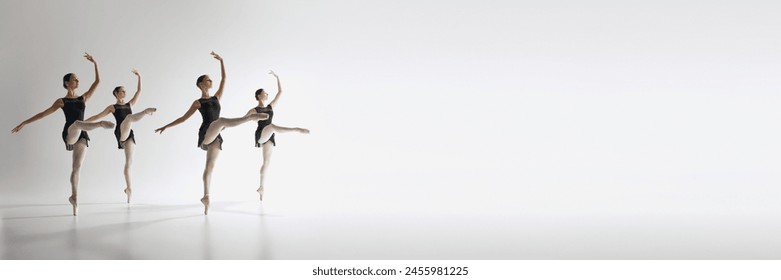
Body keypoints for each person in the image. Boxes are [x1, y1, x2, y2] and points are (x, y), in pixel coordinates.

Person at [155, 52, 266, 215]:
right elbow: (183, 118)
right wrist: (166, 126)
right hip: (207, 132)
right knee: (220, 122)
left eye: (210, 80)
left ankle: (206, 196)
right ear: (201, 84)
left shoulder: (216, 97)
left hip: (217, 135)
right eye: (208, 80)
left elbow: (224, 79)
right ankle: (250, 118)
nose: (211, 81)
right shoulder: (198, 102)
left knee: (210, 166)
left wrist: (222, 61)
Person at [11, 53, 114, 216]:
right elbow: (43, 113)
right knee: (78, 124)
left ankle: (74, 197)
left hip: (83, 135)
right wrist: (24, 122)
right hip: (70, 132)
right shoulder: (61, 101)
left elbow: (98, 82)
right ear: (67, 83)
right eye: (75, 79)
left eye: (78, 79)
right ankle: (99, 124)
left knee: (77, 167)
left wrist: (95, 63)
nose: (78, 81)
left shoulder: (83, 98)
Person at [85, 69, 156, 203]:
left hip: (130, 134)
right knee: (129, 118)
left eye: (125, 91)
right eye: (122, 91)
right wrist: (84, 122)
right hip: (120, 131)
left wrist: (140, 76)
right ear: (116, 94)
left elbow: (138, 92)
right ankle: (146, 112)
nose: (124, 92)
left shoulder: (129, 104)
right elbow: (98, 116)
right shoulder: (112, 107)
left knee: (129, 162)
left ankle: (129, 188)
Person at [245, 70, 309, 201]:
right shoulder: (254, 109)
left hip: (270, 135)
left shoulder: (270, 106)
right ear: (258, 95)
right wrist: (224, 126)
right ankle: (297, 129)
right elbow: (243, 119)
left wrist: (277, 77)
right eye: (264, 92)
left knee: (266, 162)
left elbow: (280, 92)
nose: (267, 93)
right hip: (262, 133)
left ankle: (261, 187)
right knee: (272, 126)